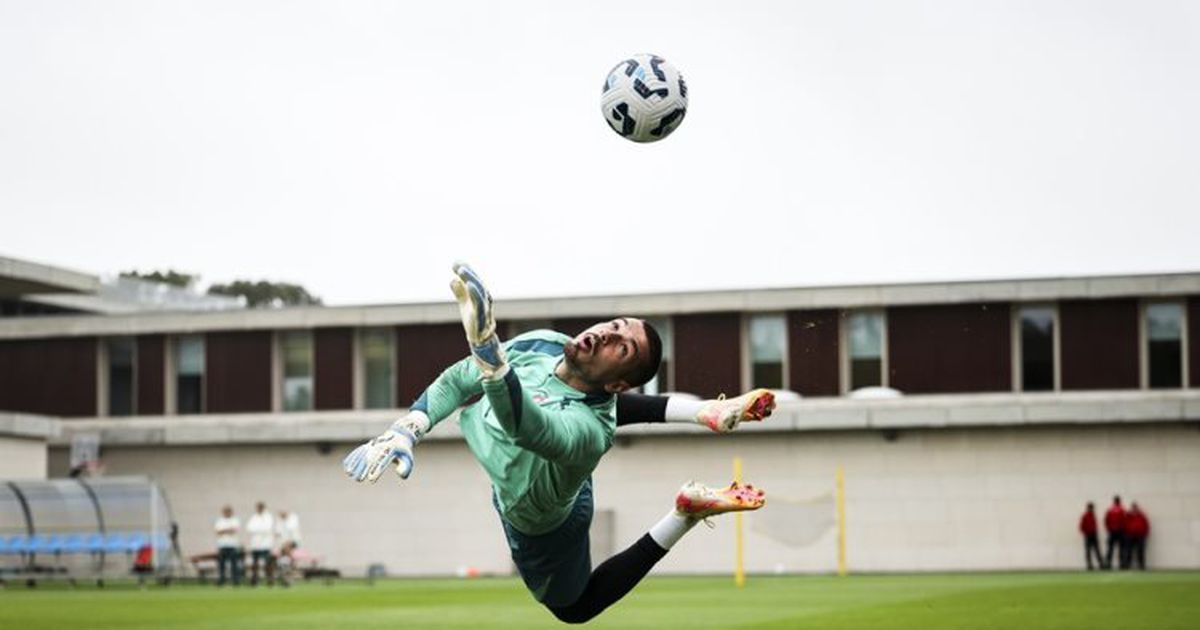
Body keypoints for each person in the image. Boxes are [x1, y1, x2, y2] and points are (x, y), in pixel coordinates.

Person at [344, 263, 771, 623]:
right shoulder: (544, 344)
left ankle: (685, 512)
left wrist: (489, 355)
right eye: (615, 326)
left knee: (574, 609)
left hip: (547, 521)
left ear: (622, 380)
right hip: (558, 463)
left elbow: (527, 428)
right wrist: (408, 428)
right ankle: (703, 413)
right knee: (590, 398)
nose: (607, 334)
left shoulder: (588, 434)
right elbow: (460, 379)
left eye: (621, 348)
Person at [244, 501, 276, 586]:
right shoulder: (254, 517)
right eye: (257, 507)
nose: (258, 509)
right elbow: (249, 528)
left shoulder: (268, 517)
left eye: (260, 507)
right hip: (255, 545)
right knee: (255, 563)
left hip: (266, 544)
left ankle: (270, 579)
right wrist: (259, 529)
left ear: (263, 508)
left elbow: (267, 528)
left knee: (268, 563)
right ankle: (254, 580)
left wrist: (257, 529)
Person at [213, 505, 242, 586]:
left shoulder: (235, 520)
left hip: (232, 545)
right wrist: (228, 530)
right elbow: (217, 532)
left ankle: (235, 580)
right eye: (225, 511)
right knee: (221, 564)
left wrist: (224, 530)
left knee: (234, 564)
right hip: (222, 545)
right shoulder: (219, 521)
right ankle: (222, 579)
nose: (226, 513)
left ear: (231, 512)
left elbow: (234, 530)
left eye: (228, 511)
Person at [275, 509, 302, 586]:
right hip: (283, 545)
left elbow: (293, 534)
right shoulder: (279, 522)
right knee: (282, 559)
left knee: (287, 556)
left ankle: (291, 573)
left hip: (292, 542)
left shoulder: (293, 521)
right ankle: (285, 575)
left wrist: (288, 543)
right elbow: (278, 534)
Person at [1124, 502, 1150, 570]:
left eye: (1135, 508)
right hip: (1130, 536)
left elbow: (1146, 525)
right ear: (1131, 508)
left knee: (1140, 551)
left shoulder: (1141, 515)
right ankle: (1127, 565)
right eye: (1133, 508)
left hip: (1140, 536)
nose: (1134, 509)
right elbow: (1124, 525)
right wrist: (1126, 534)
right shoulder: (1127, 515)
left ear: (1137, 508)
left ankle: (1141, 565)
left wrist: (1144, 534)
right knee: (1129, 551)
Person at [1103, 495, 1125, 570]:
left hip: (1113, 531)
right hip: (1118, 531)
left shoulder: (1110, 510)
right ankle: (1120, 564)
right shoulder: (1121, 510)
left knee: (1111, 549)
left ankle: (1109, 564)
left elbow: (1106, 520)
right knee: (1119, 549)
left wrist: (1109, 529)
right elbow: (1124, 521)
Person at [1078, 502, 1102, 571]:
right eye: (1091, 508)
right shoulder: (1085, 515)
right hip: (1088, 535)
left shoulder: (1093, 515)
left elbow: (1094, 525)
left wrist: (1095, 531)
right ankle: (1089, 565)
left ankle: (1100, 564)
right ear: (1088, 508)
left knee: (1096, 550)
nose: (1091, 509)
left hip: (1094, 534)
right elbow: (1081, 526)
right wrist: (1085, 532)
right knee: (1088, 551)